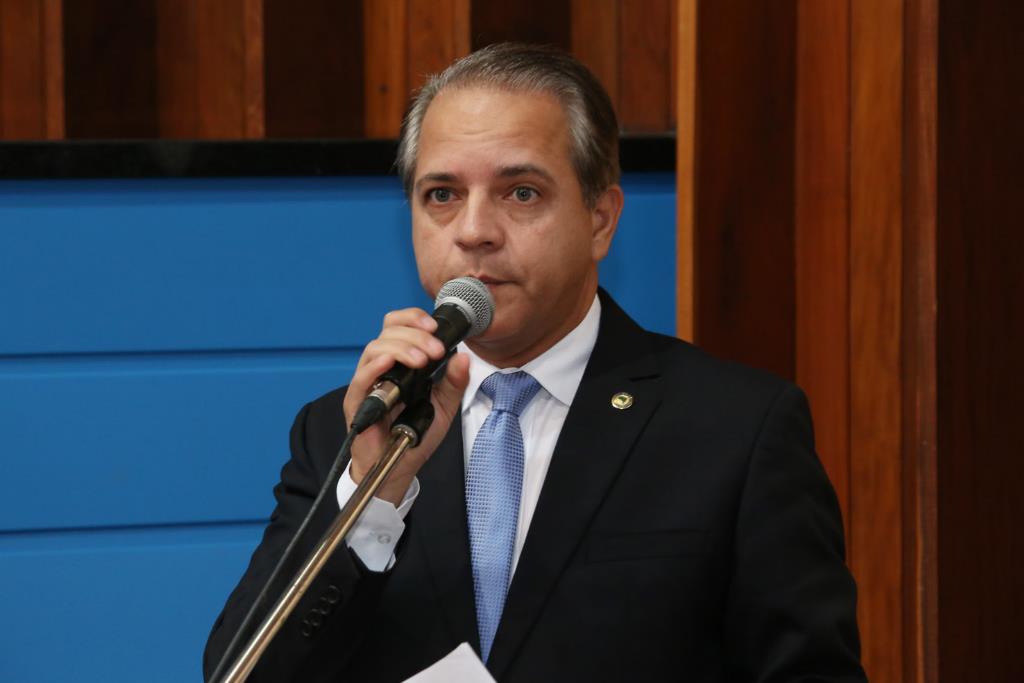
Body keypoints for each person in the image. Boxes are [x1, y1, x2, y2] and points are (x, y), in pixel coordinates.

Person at [204, 43, 865, 682]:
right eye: (441, 195)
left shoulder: (735, 430)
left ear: (600, 219)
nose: (474, 231)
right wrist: (374, 493)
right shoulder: (350, 430)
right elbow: (242, 673)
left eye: (520, 192)